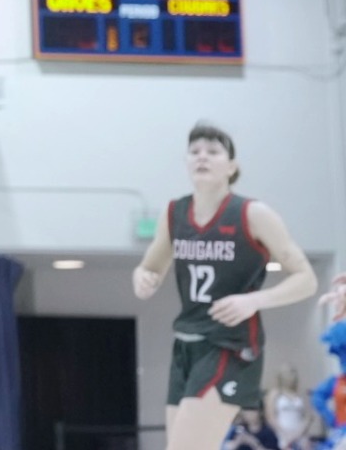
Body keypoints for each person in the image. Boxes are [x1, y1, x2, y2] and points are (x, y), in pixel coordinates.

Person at [133, 123, 316, 450]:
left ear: (232, 167)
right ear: (186, 162)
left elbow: (306, 279)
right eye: (194, 151)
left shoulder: (252, 213)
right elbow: (149, 268)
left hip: (230, 344)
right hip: (186, 344)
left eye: (213, 151)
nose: (202, 156)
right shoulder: (175, 213)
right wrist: (143, 279)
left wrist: (255, 300)